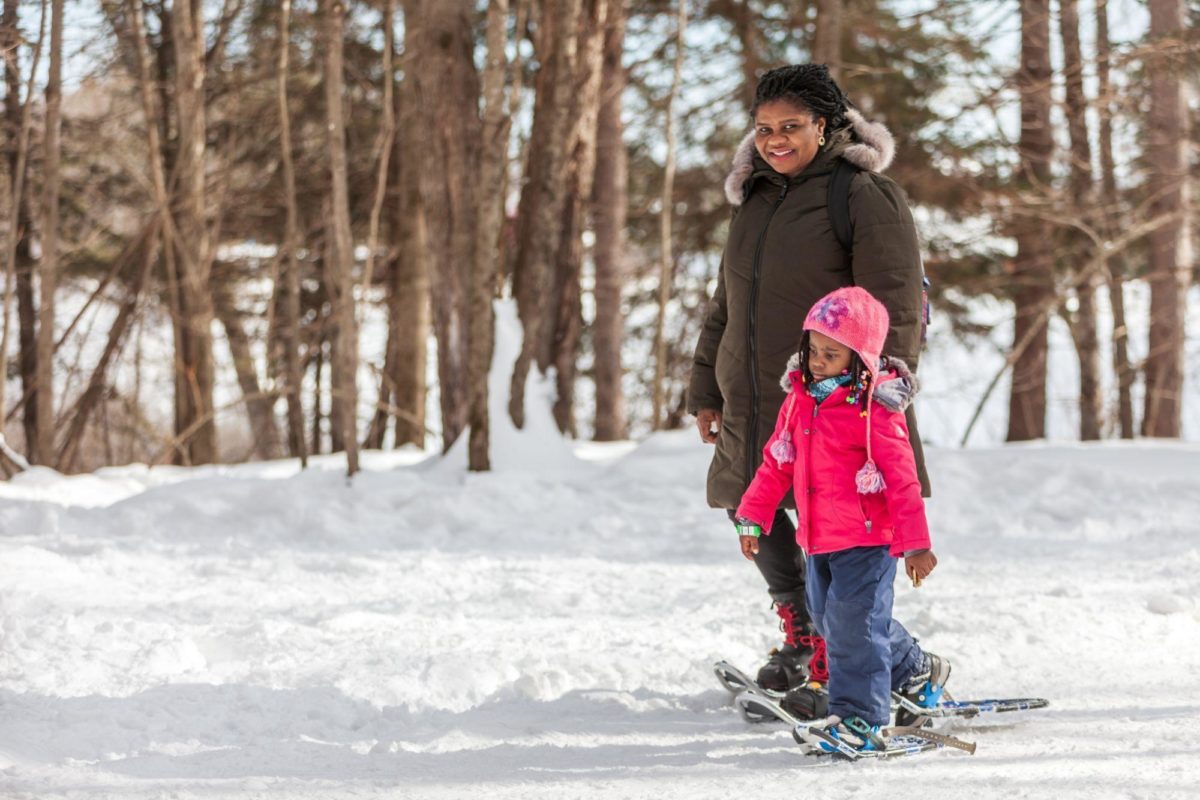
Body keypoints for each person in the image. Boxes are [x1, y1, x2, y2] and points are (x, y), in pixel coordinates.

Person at [687, 63, 929, 692]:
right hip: (753, 393)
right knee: (751, 504)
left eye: (791, 126)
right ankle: (805, 632)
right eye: (764, 128)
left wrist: (883, 388)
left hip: (836, 398)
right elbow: (726, 303)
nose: (775, 140)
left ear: (824, 126)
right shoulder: (754, 199)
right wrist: (705, 386)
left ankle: (867, 652)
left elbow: (894, 299)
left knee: (841, 525)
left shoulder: (860, 194)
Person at [734, 286, 949, 753]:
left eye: (831, 353)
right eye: (813, 349)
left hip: (869, 542)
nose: (817, 360)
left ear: (860, 357)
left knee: (854, 626)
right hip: (821, 540)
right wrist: (753, 516)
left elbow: (903, 479)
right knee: (836, 622)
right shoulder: (800, 401)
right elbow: (776, 463)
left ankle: (859, 719)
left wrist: (916, 543)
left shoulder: (874, 410)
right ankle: (915, 669)